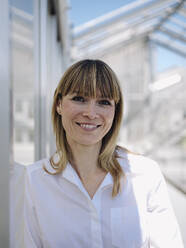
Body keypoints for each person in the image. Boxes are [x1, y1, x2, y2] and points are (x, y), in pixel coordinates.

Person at [22, 59, 184, 247]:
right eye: (79, 99)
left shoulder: (145, 175)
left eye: (104, 102)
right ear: (59, 104)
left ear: (115, 111)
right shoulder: (33, 181)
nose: (91, 113)